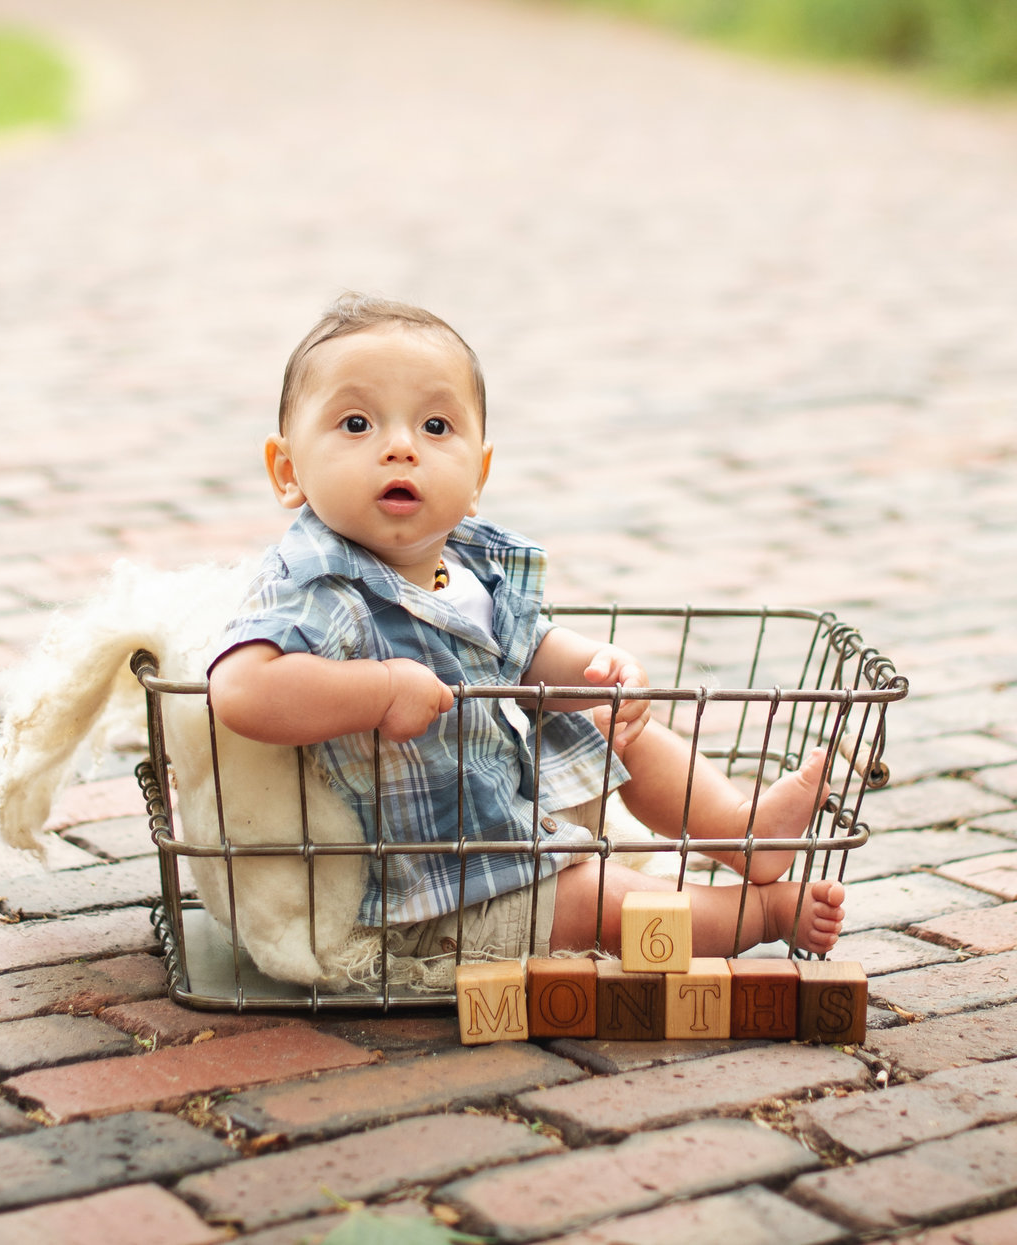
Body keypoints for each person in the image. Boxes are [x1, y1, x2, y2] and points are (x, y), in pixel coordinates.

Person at [208, 293, 846, 968]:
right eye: (358, 422)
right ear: (287, 472)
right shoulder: (321, 584)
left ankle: (743, 829)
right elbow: (241, 688)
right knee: (604, 900)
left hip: (510, 801)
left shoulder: (466, 564)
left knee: (614, 723)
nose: (400, 447)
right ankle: (762, 914)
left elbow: (531, 649)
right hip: (446, 885)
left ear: (477, 476)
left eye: (434, 425)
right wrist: (380, 688)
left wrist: (600, 668)